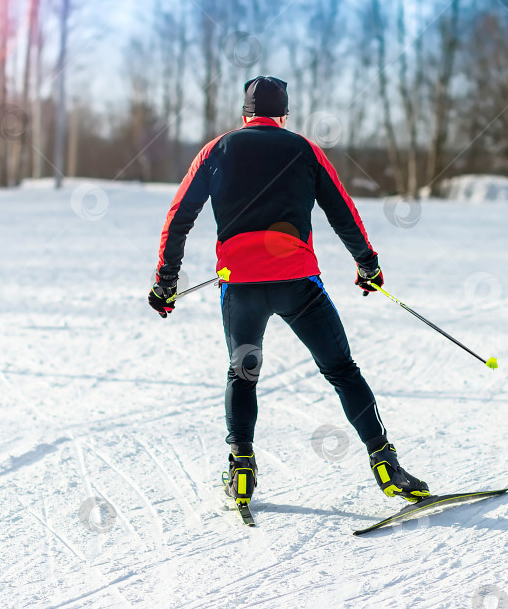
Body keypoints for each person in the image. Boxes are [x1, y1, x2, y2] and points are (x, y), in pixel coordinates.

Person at [148, 76, 429, 507]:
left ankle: (241, 468)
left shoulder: (215, 149)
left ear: (244, 115)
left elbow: (179, 217)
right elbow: (341, 210)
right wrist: (367, 264)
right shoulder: (304, 149)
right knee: (342, 370)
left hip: (239, 285)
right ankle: (385, 463)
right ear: (283, 115)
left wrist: (166, 282)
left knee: (242, 373)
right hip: (297, 283)